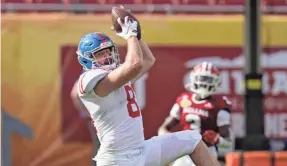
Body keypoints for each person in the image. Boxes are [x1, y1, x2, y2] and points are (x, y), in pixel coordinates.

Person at [76, 15, 218, 166]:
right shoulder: (89, 80)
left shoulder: (116, 77)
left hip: (140, 150)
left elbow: (148, 60)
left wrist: (136, 35)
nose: (107, 56)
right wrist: (129, 34)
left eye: (108, 51)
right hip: (117, 160)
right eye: (100, 54)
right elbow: (135, 64)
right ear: (86, 60)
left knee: (193, 140)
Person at [158, 62, 234, 166]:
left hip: (207, 152)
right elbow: (163, 129)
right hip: (184, 152)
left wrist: (216, 139)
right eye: (201, 79)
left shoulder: (219, 105)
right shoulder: (184, 100)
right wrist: (170, 138)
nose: (204, 83)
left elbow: (228, 143)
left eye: (208, 80)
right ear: (193, 79)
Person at [71, 72, 101, 166]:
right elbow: (74, 94)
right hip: (98, 117)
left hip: (100, 116)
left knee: (102, 146)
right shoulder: (90, 71)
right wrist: (86, 112)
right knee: (102, 147)